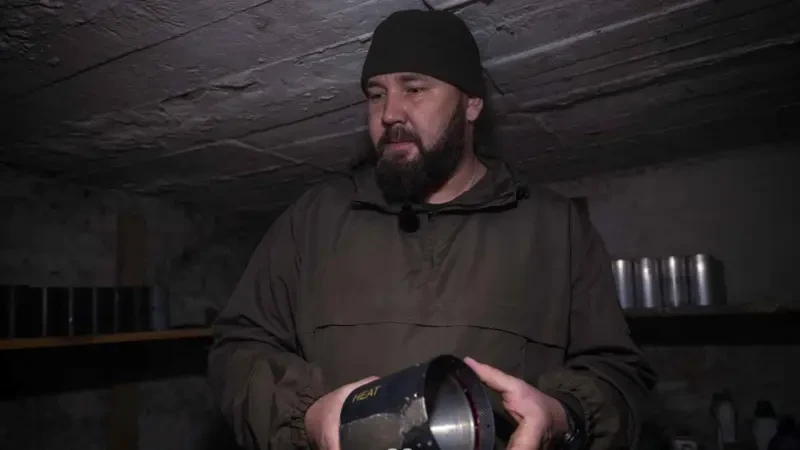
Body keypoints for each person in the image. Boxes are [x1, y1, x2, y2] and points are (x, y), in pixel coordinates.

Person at [208, 8, 658, 450]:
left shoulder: (557, 228)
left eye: (415, 89)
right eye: (376, 94)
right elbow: (239, 349)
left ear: (471, 104)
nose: (389, 113)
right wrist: (305, 417)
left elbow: (619, 375)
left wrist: (561, 417)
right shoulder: (313, 219)